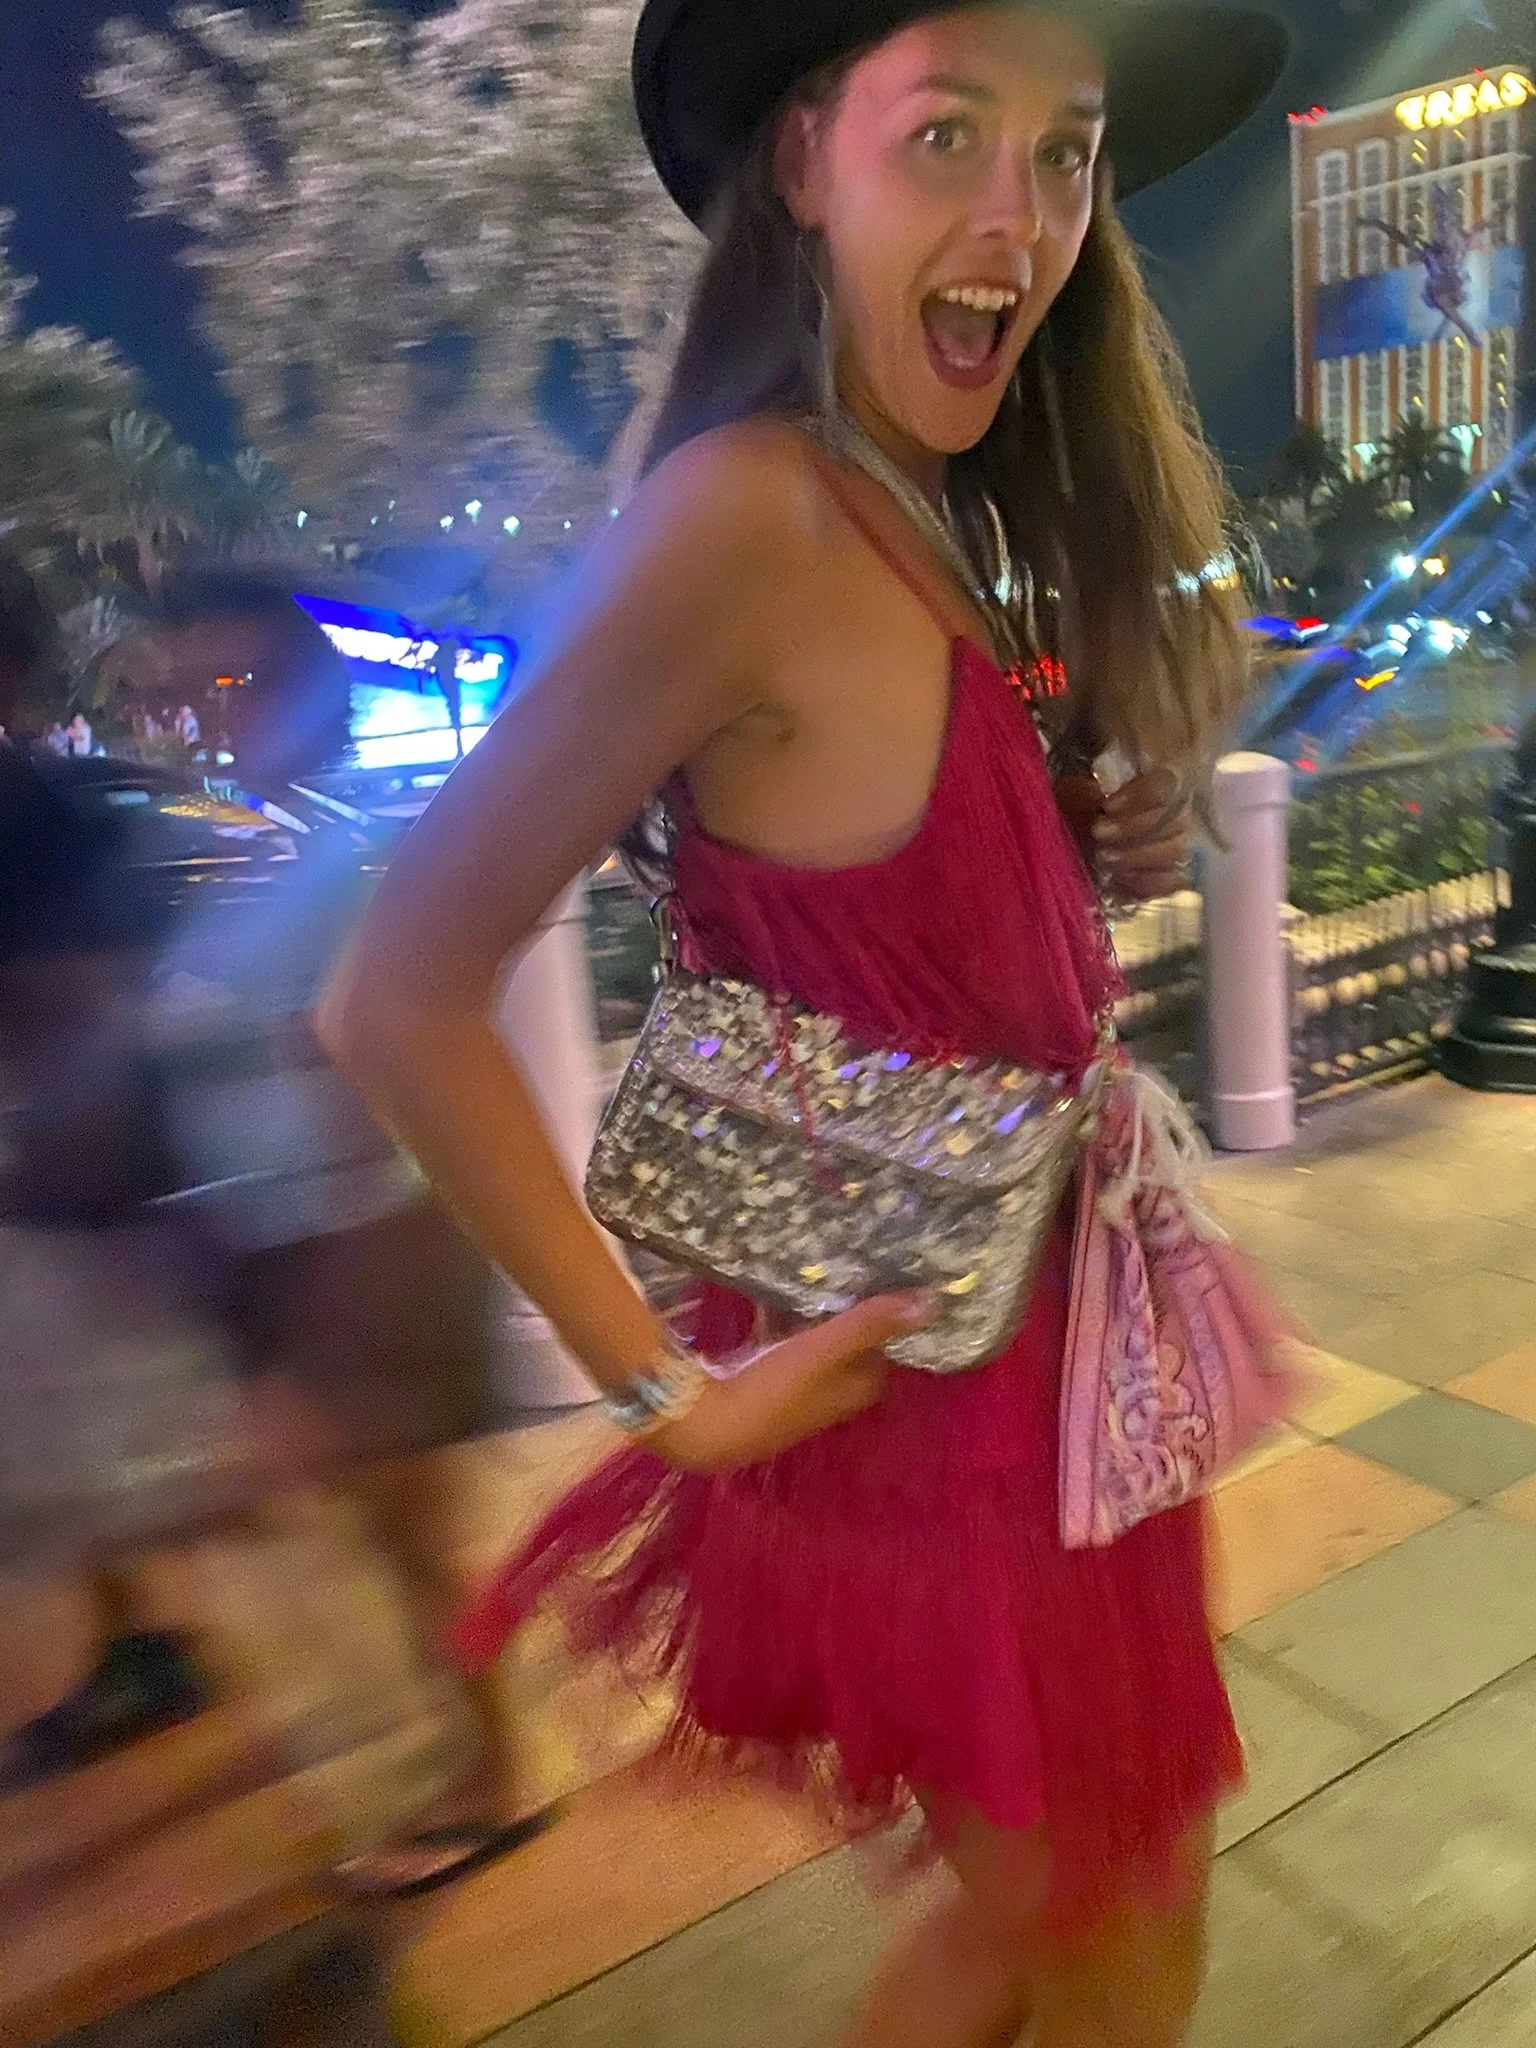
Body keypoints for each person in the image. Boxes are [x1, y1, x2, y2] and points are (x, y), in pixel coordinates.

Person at [322, 3, 1287, 2042]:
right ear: (799, 166)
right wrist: (667, 1390)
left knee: (1065, 1939)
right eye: (946, 134)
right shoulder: (747, 516)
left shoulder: (939, 509)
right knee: (1119, 1959)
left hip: (1058, 1380)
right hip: (925, 1431)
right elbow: (400, 992)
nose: (1020, 216)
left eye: (1064, 152)